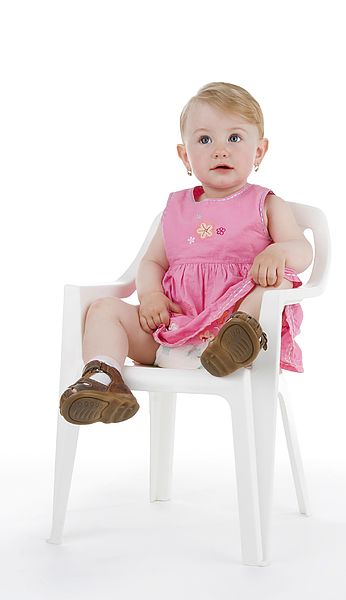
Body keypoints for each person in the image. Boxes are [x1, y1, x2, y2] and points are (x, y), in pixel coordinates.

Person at [59, 82, 313, 426]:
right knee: (103, 309)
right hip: (173, 330)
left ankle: (240, 334)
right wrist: (150, 297)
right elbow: (152, 263)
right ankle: (104, 378)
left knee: (279, 280)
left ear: (259, 151)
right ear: (185, 156)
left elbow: (302, 251)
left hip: (235, 346)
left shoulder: (266, 204)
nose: (219, 151)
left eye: (235, 138)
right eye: (205, 140)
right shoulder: (176, 210)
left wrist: (279, 252)